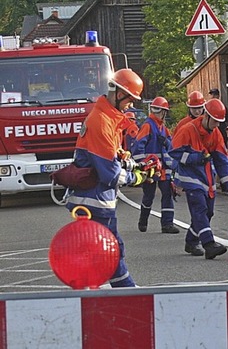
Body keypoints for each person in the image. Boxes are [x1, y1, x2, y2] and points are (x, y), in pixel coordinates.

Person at [65, 68, 146, 288]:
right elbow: (109, 173)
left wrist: (130, 162)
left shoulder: (108, 119)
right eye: (130, 99)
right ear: (119, 93)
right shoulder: (101, 121)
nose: (131, 105)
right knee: (110, 247)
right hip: (95, 200)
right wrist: (136, 178)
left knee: (102, 248)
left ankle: (97, 289)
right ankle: (127, 291)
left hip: (96, 199)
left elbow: (110, 157)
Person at [169, 99, 228, 259]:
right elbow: (174, 152)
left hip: (206, 176)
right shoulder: (188, 129)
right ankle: (209, 244)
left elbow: (222, 160)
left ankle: (191, 241)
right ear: (206, 116)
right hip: (189, 177)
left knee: (209, 212)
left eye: (219, 122)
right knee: (199, 209)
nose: (216, 125)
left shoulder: (215, 134)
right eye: (215, 121)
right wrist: (196, 158)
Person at [132, 96, 179, 234]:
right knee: (149, 195)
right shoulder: (148, 125)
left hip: (164, 167)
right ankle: (143, 219)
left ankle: (167, 224)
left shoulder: (163, 129)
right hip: (151, 168)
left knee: (167, 193)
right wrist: (143, 165)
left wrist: (166, 142)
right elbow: (138, 148)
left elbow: (172, 146)